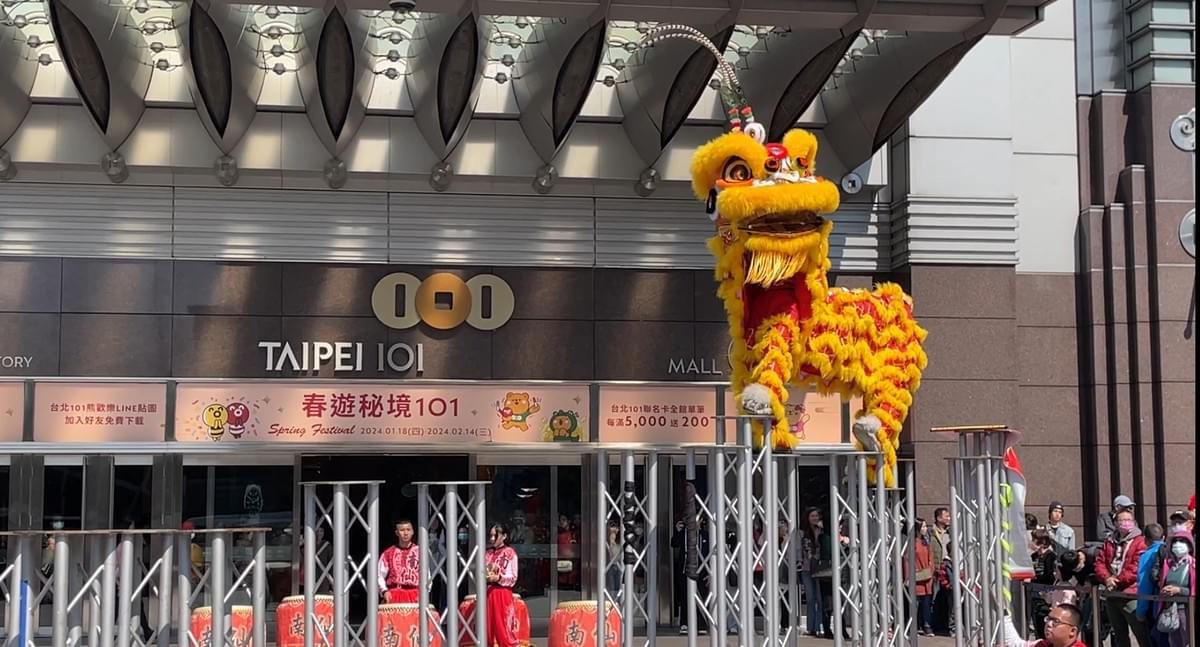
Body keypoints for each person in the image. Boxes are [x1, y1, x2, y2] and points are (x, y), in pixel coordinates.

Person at [1095, 508, 1151, 647]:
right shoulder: (1109, 541)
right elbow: (1100, 562)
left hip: (1131, 595)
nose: (1126, 523)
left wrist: (1117, 581)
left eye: (1129, 520)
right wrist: (1107, 578)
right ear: (1115, 523)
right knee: (1119, 636)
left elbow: (1136, 567)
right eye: (1122, 520)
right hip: (1111, 593)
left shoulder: (1140, 542)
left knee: (1141, 634)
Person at [1155, 527, 1193, 647]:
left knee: (1188, 642)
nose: (1177, 545)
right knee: (1174, 643)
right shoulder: (1169, 565)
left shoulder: (1192, 566)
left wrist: (1179, 590)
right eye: (1175, 542)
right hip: (1170, 610)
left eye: (1182, 541)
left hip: (1187, 611)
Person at [484, 523, 520, 647]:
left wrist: (499, 578)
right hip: (488, 593)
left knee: (504, 630)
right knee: (487, 629)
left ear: (504, 536)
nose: (492, 539)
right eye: (491, 536)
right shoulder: (488, 554)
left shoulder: (510, 553)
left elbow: (513, 578)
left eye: (495, 535)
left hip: (503, 593)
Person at [1135, 524, 1167, 647]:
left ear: (1145, 539)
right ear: (1163, 537)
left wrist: (1141, 611)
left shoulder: (1146, 556)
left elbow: (1144, 585)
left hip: (1155, 606)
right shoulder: (1170, 551)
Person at [1002, 603, 1088, 647]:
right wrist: (1003, 615)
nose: (1049, 624)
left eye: (1056, 621)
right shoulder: (1042, 645)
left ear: (1072, 631)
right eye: (1048, 619)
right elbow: (1016, 644)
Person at [378, 519, 421, 604]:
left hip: (415, 595)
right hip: (394, 595)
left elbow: (427, 576)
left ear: (413, 532)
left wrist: (424, 594)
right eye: (402, 530)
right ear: (397, 533)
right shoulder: (388, 553)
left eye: (408, 530)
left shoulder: (420, 552)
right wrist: (384, 591)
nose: (405, 533)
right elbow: (379, 575)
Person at [930, 507, 954, 635]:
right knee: (935, 599)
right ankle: (934, 625)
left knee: (949, 599)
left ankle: (946, 625)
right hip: (937, 570)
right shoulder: (931, 533)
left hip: (948, 568)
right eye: (946, 516)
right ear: (939, 518)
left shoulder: (950, 533)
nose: (948, 518)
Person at [1030, 529, 1058, 636]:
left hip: (1046, 593)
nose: (1032, 542)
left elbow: (1050, 576)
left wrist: (1035, 578)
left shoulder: (1050, 556)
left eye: (1034, 540)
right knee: (1037, 623)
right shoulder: (1034, 556)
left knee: (1045, 622)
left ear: (1043, 542)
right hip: (1035, 593)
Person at [910, 518, 935, 637]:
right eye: (923, 527)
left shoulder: (926, 542)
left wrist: (931, 570)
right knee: (914, 603)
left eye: (926, 526)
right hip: (916, 577)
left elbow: (931, 558)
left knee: (926, 603)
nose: (925, 529)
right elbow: (907, 560)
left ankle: (926, 625)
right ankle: (913, 626)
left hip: (927, 577)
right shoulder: (912, 543)